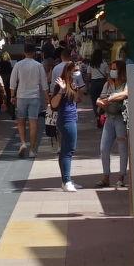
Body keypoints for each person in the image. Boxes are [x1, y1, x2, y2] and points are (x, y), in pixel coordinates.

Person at [49, 47, 88, 191]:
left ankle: (66, 180)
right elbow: (53, 104)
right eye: (75, 71)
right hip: (66, 119)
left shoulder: (72, 83)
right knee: (68, 150)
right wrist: (62, 90)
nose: (77, 73)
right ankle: (66, 181)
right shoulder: (61, 84)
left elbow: (78, 99)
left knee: (67, 149)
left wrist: (77, 86)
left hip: (71, 117)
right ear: (69, 71)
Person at [7, 43, 46, 157]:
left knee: (21, 121)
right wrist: (48, 99)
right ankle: (32, 150)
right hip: (34, 97)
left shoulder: (18, 65)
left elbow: (12, 83)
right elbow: (44, 85)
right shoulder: (39, 65)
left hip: (21, 97)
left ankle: (23, 143)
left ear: (24, 52)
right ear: (34, 52)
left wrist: (12, 96)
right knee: (34, 123)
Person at [97, 59, 131, 188]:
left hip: (121, 118)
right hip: (109, 118)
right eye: (112, 68)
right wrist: (100, 102)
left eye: (115, 68)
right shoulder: (108, 84)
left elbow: (125, 94)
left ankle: (121, 176)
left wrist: (110, 98)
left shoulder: (126, 83)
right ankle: (106, 176)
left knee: (122, 148)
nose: (112, 71)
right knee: (104, 148)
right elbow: (100, 98)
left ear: (121, 70)